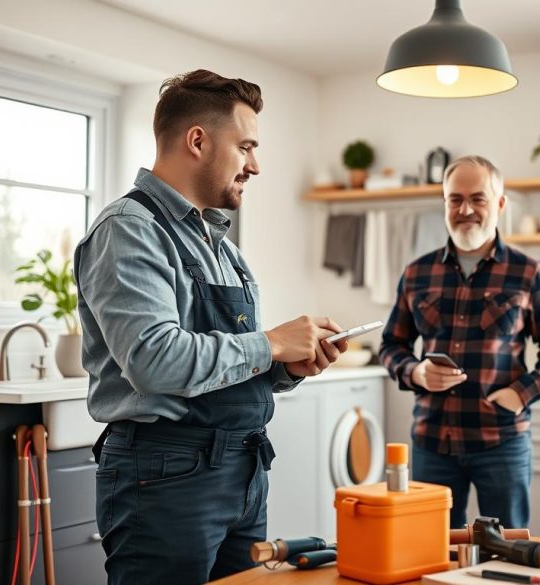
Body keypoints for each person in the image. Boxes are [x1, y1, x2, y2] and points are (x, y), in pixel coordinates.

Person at [75, 69, 347, 583]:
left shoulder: (221, 246)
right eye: (246, 147)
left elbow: (233, 364)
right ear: (197, 140)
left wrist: (288, 367)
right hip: (165, 479)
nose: (255, 165)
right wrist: (269, 343)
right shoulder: (129, 231)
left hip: (242, 472)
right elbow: (154, 362)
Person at [379, 155, 540, 530]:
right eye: (455, 199)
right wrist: (416, 372)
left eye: (478, 198)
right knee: (429, 549)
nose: (465, 209)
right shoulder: (417, 273)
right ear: (444, 204)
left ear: (500, 204)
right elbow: (391, 345)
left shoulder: (529, 272)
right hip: (431, 442)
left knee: (506, 554)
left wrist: (521, 393)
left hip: (501, 442)